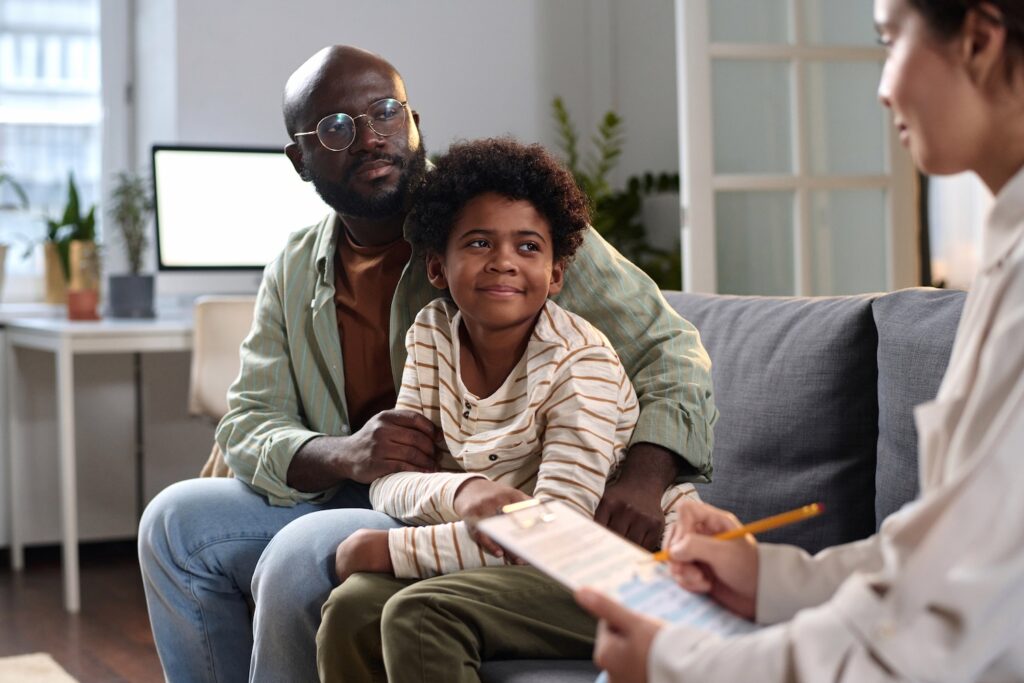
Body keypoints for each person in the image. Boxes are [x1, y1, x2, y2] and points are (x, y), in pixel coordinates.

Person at [137, 45, 718, 683]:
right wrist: (346, 454)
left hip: (463, 496)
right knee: (171, 521)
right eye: (335, 127)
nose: (369, 138)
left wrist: (643, 477)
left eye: (386, 112)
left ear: (414, 122)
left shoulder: (495, 219)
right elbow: (249, 419)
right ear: (300, 160)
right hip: (367, 484)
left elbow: (669, 352)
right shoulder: (296, 266)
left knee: (300, 555)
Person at [575, 1, 1024, 681]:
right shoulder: (1005, 258)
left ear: (980, 42)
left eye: (890, 41)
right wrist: (767, 577)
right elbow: (941, 555)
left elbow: (933, 639)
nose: (881, 87)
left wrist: (675, 662)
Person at [316, 138, 700, 683]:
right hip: (528, 558)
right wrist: (462, 492)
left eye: (527, 247)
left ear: (557, 272)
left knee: (419, 613)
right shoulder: (429, 337)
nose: (503, 262)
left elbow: (555, 531)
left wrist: (393, 550)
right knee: (351, 609)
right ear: (436, 267)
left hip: (621, 568)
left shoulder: (579, 361)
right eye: (478, 243)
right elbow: (390, 482)